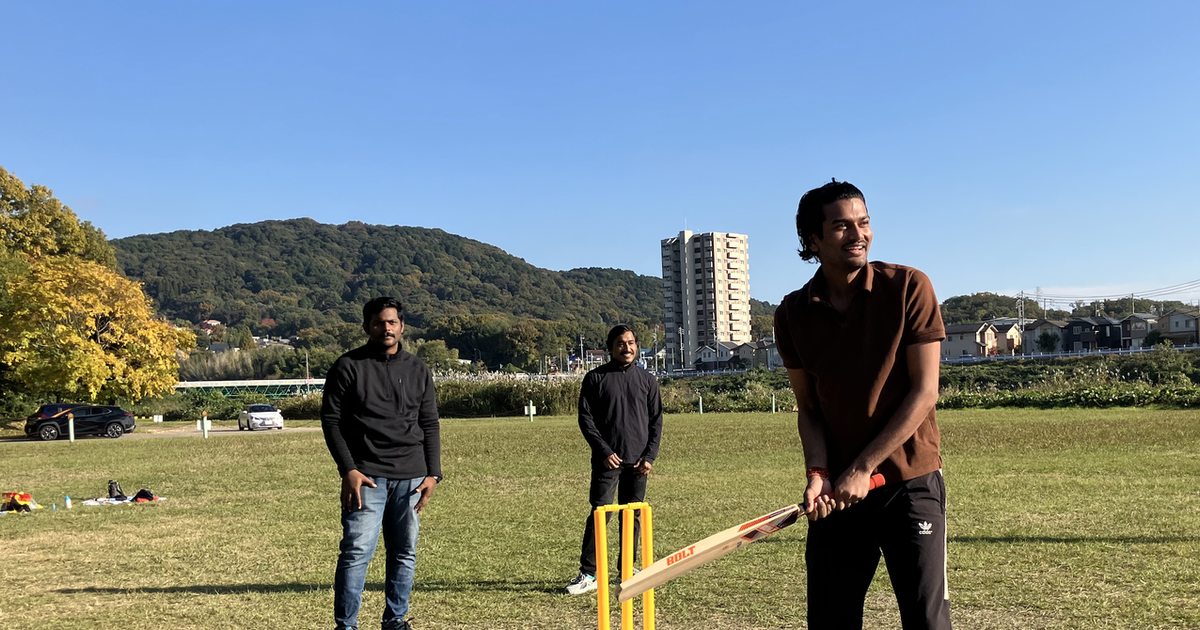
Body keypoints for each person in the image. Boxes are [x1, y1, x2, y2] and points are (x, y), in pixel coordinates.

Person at [774, 180, 952, 629]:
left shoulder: (909, 286)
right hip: (838, 494)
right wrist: (818, 473)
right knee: (830, 619)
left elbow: (924, 391)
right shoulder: (792, 313)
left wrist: (863, 466)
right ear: (813, 241)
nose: (858, 235)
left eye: (864, 222)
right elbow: (809, 409)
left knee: (927, 620)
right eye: (841, 226)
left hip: (909, 482)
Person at [321, 296, 442, 630]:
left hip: (411, 477)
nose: (385, 328)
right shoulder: (348, 366)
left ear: (402, 326)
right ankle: (346, 625)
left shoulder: (417, 369)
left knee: (404, 552)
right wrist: (348, 469)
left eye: (391, 322)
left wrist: (433, 474)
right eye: (378, 323)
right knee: (356, 551)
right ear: (367, 327)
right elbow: (331, 421)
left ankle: (395, 620)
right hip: (366, 477)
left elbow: (429, 423)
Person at [564, 324, 664, 595]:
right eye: (621, 343)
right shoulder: (595, 378)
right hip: (607, 461)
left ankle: (627, 570)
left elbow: (656, 421)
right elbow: (586, 420)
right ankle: (589, 573)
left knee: (632, 516)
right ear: (610, 348)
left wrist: (649, 456)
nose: (627, 348)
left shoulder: (647, 380)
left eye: (631, 343)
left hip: (638, 463)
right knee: (600, 514)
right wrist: (604, 452)